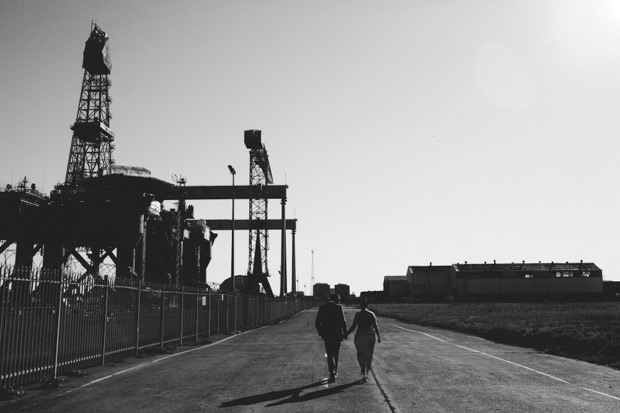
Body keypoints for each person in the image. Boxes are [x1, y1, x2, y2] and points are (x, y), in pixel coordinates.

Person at [346, 300, 381, 383]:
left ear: (361, 305)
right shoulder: (371, 314)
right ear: (367, 305)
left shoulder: (358, 314)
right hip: (370, 335)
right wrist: (379, 336)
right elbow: (375, 326)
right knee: (369, 354)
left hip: (361, 334)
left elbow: (354, 326)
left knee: (360, 353)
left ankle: (363, 370)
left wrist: (346, 333)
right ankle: (366, 373)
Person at [315, 294, 347, 382]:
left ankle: (331, 371)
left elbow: (317, 322)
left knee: (329, 353)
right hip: (337, 333)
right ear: (336, 300)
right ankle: (335, 370)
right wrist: (345, 333)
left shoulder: (323, 308)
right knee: (336, 353)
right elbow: (343, 321)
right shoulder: (338, 308)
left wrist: (321, 332)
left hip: (327, 334)